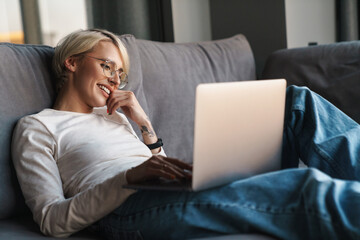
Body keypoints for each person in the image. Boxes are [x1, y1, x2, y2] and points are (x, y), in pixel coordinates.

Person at [11, 29, 360, 240]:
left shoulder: (115, 117)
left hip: (159, 189)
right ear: (71, 62)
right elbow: (51, 220)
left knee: (297, 101)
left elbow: (161, 170)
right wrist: (129, 177)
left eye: (120, 73)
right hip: (123, 210)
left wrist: (144, 124)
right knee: (305, 188)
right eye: (106, 66)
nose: (115, 80)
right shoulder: (37, 127)